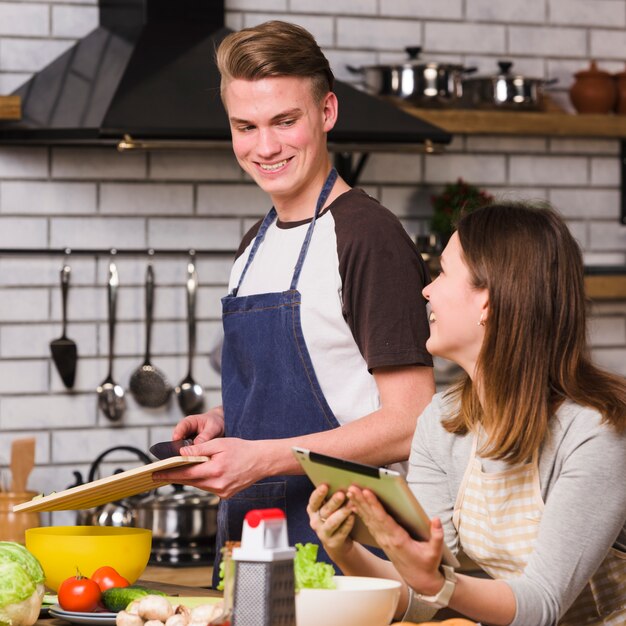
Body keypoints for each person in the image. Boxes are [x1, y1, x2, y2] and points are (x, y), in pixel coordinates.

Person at [154, 20, 435, 582]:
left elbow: (411, 422)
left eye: (285, 121)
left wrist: (260, 458)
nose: (265, 147)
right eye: (245, 126)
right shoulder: (253, 247)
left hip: (354, 550)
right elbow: (313, 388)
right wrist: (223, 422)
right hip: (256, 543)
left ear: (327, 113)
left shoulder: (366, 236)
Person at [307, 202, 626, 626]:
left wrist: (439, 583)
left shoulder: (594, 431)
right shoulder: (443, 422)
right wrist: (344, 548)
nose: (427, 290)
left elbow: (543, 602)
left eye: (441, 273)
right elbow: (425, 591)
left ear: (487, 302)